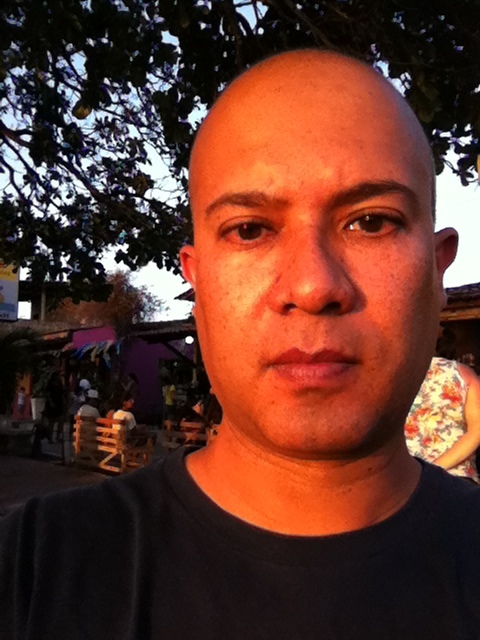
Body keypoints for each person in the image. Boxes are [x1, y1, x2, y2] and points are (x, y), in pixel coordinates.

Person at [2, 49, 478, 639]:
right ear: (197, 282)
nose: (313, 286)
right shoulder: (33, 573)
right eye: (249, 229)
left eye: (371, 221)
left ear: (437, 273)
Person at [405, 356, 480, 482]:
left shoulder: (393, 374)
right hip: (457, 477)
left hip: (407, 479)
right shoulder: (462, 374)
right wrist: (437, 466)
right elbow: (476, 431)